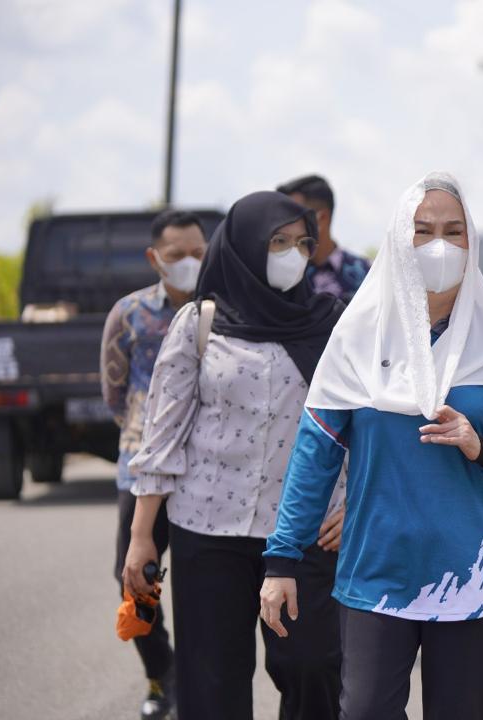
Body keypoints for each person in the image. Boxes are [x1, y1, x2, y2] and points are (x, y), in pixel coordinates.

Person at [259, 172, 483, 720]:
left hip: (473, 575)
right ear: (399, 240)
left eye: (454, 231)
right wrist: (281, 561)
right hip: (376, 573)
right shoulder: (357, 338)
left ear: (473, 245)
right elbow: (315, 455)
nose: (438, 245)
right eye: (422, 231)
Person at [122, 191, 345, 720]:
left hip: (306, 531)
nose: (292, 254)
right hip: (207, 531)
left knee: (312, 668)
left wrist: (355, 499)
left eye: (301, 243)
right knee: (210, 681)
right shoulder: (198, 324)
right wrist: (140, 537)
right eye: (277, 242)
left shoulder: (333, 325)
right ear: (243, 246)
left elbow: (365, 425)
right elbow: (163, 437)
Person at [100, 209, 207, 719]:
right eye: (176, 255)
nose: (188, 263)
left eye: (197, 253)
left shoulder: (224, 311)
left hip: (209, 474)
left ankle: (197, 683)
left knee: (203, 588)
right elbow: (114, 394)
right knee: (135, 578)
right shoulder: (129, 314)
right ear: (154, 258)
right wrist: (147, 439)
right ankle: (161, 676)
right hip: (142, 469)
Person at [278, 174, 371, 303]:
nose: (280, 224)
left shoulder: (367, 274)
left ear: (322, 218)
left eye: (291, 215)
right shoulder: (279, 272)